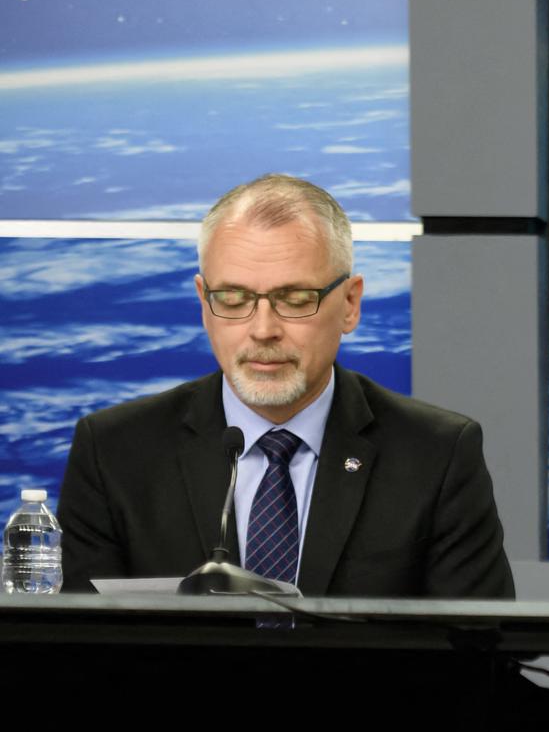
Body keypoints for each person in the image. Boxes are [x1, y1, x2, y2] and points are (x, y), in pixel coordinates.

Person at [60, 173, 513, 598]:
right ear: (203, 302)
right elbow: (74, 652)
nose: (262, 329)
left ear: (350, 304)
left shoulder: (436, 455)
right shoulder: (116, 452)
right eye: (233, 299)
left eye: (295, 300)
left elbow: (479, 653)